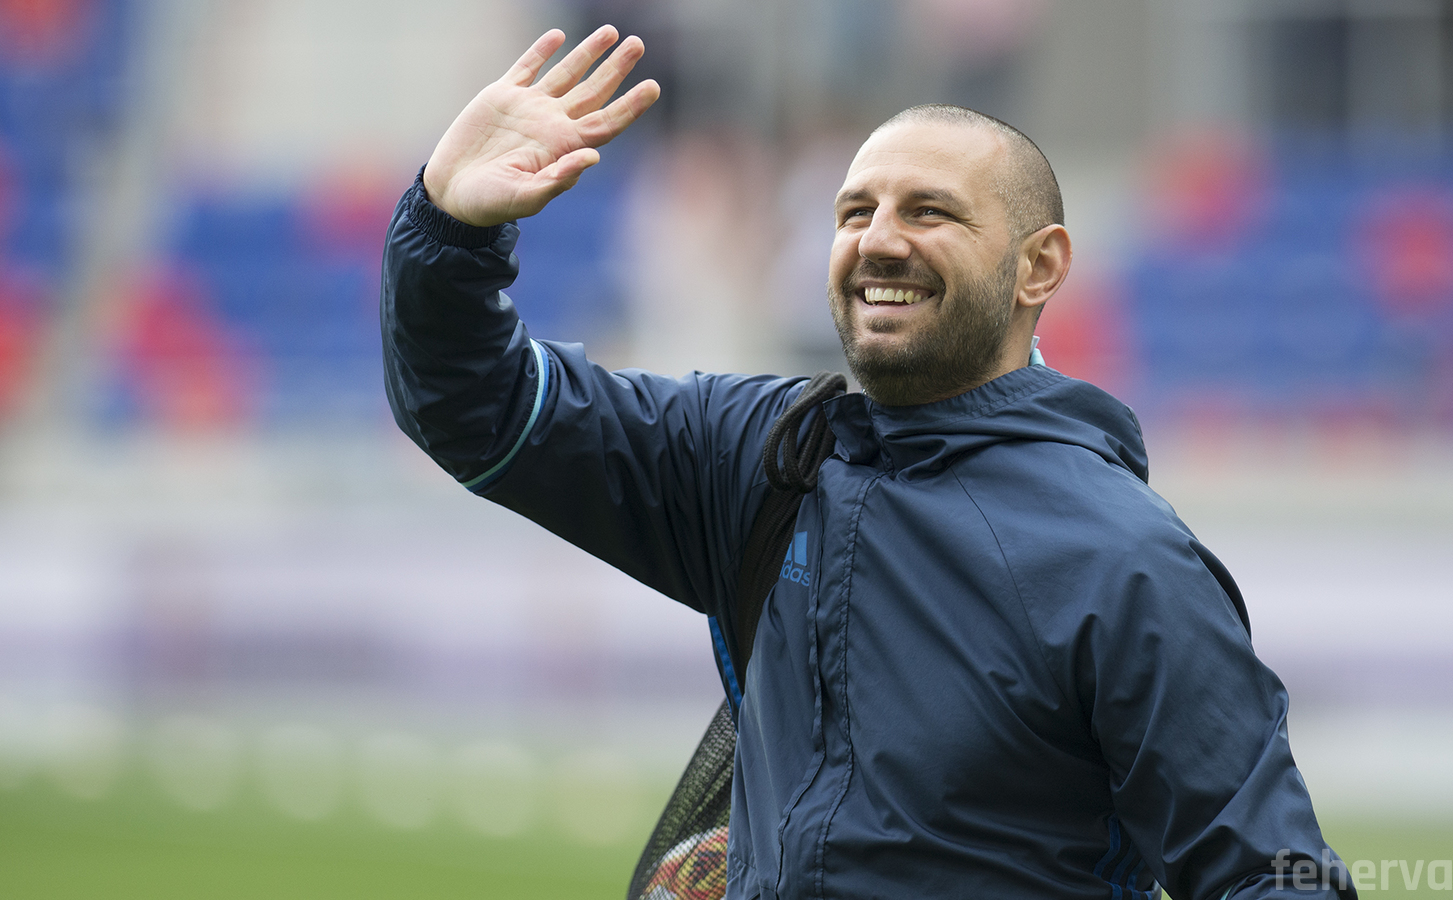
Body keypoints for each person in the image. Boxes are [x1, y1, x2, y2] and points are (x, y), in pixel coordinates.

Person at [382, 24, 1354, 900]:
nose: (879, 241)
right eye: (854, 212)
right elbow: (478, 407)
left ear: (1040, 265)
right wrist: (450, 228)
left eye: (930, 212)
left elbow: (1273, 873)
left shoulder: (1125, 559)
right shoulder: (760, 457)